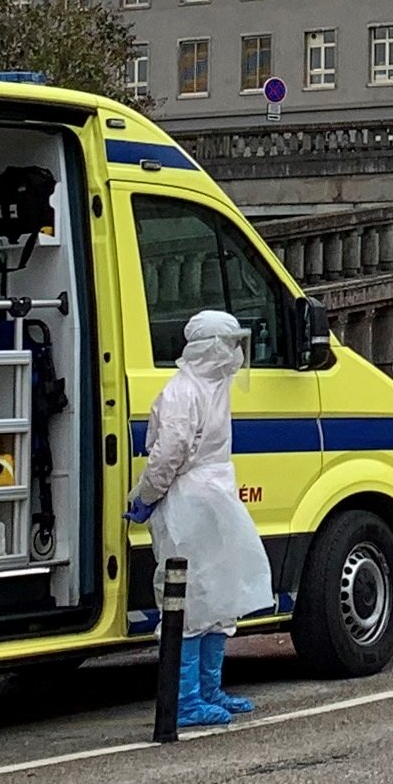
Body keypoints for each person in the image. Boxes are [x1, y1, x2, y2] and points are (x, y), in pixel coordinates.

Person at [127, 308, 275, 728]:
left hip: (208, 500)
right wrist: (149, 496)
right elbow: (169, 454)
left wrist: (145, 497)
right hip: (192, 503)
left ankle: (207, 692)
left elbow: (171, 454)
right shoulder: (183, 392)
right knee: (188, 598)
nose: (234, 355)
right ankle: (187, 699)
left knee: (216, 595)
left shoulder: (210, 387)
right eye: (227, 345)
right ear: (210, 347)